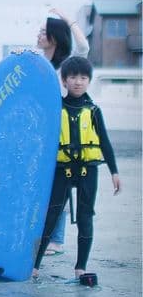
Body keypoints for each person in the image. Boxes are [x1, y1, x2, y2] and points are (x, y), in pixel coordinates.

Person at [33, 56, 121, 279]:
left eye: (83, 77)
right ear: (64, 81)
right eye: (73, 77)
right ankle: (35, 265)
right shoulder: (55, 109)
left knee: (85, 217)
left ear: (89, 81)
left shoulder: (93, 111)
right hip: (62, 170)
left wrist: (114, 172)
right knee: (51, 215)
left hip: (87, 170)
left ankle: (80, 266)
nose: (78, 82)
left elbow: (105, 142)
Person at [36, 7, 91, 252]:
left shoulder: (64, 67)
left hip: (62, 133)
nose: (38, 35)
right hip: (40, 133)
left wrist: (68, 20)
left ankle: (56, 239)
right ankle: (42, 234)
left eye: (43, 32)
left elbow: (84, 48)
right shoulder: (37, 63)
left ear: (55, 38)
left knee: (60, 183)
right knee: (41, 185)